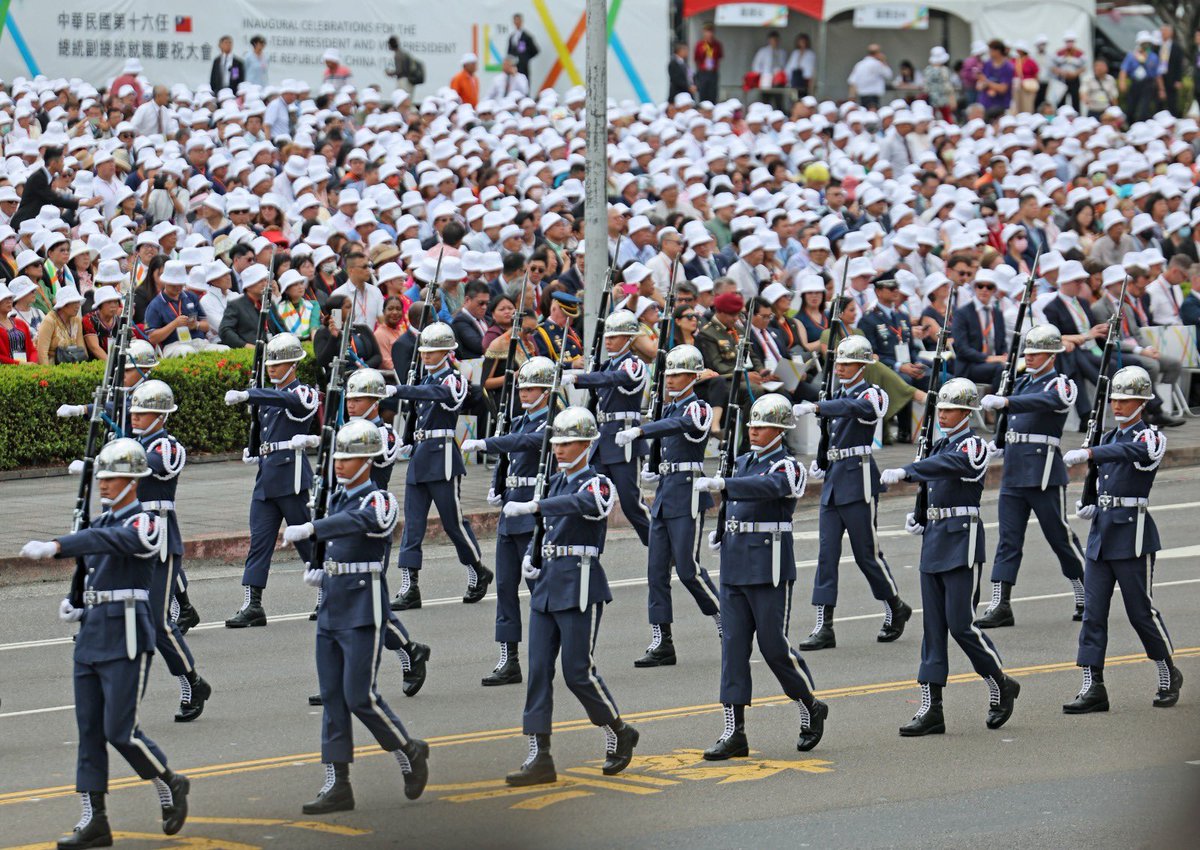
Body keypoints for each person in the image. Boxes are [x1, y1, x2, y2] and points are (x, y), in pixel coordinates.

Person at [20, 439, 190, 849]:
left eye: (112, 477)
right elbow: (90, 565)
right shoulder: (98, 524)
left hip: (127, 635)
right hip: (93, 634)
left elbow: (110, 544)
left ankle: (169, 781)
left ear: (132, 481)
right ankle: (93, 819)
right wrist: (76, 601)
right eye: (102, 477)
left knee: (120, 731)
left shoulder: (146, 522)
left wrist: (59, 544)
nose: (104, 484)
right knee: (89, 732)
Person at [279, 419, 430, 812]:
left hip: (364, 605)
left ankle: (408, 750)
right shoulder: (336, 498)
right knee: (332, 697)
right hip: (332, 602)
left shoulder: (378, 499)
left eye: (348, 457)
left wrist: (313, 528)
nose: (340, 464)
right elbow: (336, 534)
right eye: (338, 457)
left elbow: (360, 523)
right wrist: (320, 565)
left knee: (359, 695)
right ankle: (337, 783)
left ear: (367, 461)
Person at [500, 406, 639, 786]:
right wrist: (532, 556)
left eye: (568, 442)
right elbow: (544, 529)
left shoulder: (597, 482)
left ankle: (617, 729)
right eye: (557, 443)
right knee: (538, 673)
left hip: (580, 584)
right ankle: (539, 754)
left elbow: (585, 506)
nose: (559, 449)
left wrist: (535, 505)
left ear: (587, 444)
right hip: (548, 583)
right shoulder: (557, 481)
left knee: (577, 672)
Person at [881, 379, 1020, 737]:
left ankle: (1000, 681)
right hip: (936, 539)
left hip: (962, 540)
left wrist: (908, 471)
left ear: (967, 412)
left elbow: (949, 465)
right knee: (932, 630)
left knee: (961, 624)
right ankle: (931, 708)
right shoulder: (939, 444)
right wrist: (922, 514)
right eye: (940, 409)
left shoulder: (974, 445)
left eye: (950, 409)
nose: (943, 414)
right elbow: (935, 476)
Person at [693, 394, 828, 759]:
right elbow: (733, 502)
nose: (754, 431)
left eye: (763, 426)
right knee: (733, 649)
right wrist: (721, 530)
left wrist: (725, 485)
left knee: (773, 647)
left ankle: (809, 704)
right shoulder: (740, 460)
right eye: (752, 425)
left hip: (768, 566)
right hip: (736, 563)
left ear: (780, 430)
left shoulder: (789, 466)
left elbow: (769, 488)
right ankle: (733, 731)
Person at [1062, 366, 1181, 713]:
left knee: (1140, 611)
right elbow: (1104, 474)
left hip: (1133, 535)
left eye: (1126, 400)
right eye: (1115, 399)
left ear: (1141, 403)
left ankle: (1167, 672)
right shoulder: (1108, 437)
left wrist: (1091, 453)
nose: (1118, 405)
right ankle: (1093, 685)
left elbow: (1132, 453)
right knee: (1093, 614)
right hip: (1102, 534)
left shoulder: (1150, 437)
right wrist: (1089, 501)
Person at [793, 336, 912, 650]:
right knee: (826, 555)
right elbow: (829, 433)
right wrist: (821, 461)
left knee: (866, 555)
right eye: (840, 363)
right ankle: (824, 626)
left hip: (858, 478)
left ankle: (895, 606)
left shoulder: (873, 393)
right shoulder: (836, 393)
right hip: (834, 479)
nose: (842, 368)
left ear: (862, 365)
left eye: (848, 364)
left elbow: (854, 408)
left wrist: (819, 406)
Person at [615, 344, 722, 667]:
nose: (671, 380)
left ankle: (726, 621)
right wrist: (652, 462)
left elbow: (677, 428)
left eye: (678, 375)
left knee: (688, 569)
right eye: (668, 374)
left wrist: (642, 430)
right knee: (656, 571)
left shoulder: (698, 408)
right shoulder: (670, 407)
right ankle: (662, 641)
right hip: (665, 494)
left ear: (693, 377)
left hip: (688, 492)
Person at [975, 326, 1086, 629]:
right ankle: (1000, 604)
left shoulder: (1061, 384)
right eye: (1028, 352)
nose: (1031, 357)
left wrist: (1007, 402)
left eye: (1037, 353)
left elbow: (1046, 402)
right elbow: (1011, 421)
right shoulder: (1021, 382)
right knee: (1008, 541)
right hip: (1013, 471)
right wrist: (996, 444)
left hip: (1043, 472)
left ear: (1052, 356)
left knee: (1058, 536)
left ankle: (1085, 591)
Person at [460, 357, 555, 686]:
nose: (524, 393)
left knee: (539, 590)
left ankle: (556, 648)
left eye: (532, 388)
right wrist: (496, 487)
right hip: (509, 515)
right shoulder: (518, 420)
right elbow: (509, 459)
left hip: (531, 516)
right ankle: (509, 659)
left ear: (546, 391)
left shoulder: (550, 425)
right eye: (522, 387)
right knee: (504, 589)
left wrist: (487, 442)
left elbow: (523, 445)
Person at [122, 380, 212, 721]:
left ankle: (192, 682)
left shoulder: (169, 446)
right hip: (130, 538)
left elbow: (153, 463)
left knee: (157, 621)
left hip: (159, 540)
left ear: (161, 416)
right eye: (133, 410)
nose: (136, 416)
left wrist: (116, 451)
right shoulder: (130, 443)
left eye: (143, 412)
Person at [391, 323, 491, 609]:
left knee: (453, 523)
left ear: (447, 352)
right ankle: (410, 586)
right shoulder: (422, 380)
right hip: (421, 456)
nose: (426, 356)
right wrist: (409, 439)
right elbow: (418, 412)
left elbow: (439, 397)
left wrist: (402, 390)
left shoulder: (454, 380)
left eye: (433, 352)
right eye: (424, 351)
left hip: (443, 457)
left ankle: (477, 570)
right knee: (412, 524)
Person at [222, 333, 319, 628]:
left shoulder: (305, 392)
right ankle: (252, 603)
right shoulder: (268, 394)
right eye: (270, 364)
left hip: (291, 477)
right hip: (267, 477)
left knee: (305, 539)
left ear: (293, 364)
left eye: (279, 363)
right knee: (259, 542)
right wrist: (255, 450)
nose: (272, 368)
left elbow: (287, 400)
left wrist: (251, 394)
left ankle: (327, 591)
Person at [562, 309, 652, 547]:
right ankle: (591, 547)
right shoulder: (606, 365)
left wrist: (580, 378)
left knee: (632, 503)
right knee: (595, 498)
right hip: (603, 441)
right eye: (608, 337)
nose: (609, 341)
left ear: (629, 339)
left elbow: (615, 379)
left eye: (616, 337)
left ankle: (658, 546)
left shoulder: (634, 365)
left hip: (623, 440)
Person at [10, 146, 102, 230]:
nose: (63, 164)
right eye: (62, 161)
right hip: (22, 223)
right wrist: (83, 203)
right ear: (53, 163)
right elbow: (55, 198)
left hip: (34, 223)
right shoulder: (38, 178)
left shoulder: (48, 177)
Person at [952, 274, 1007, 390]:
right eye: (980, 286)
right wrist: (987, 358)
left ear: (994, 290)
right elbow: (962, 348)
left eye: (989, 287)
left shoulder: (997, 314)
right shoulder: (962, 313)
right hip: (970, 366)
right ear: (975, 288)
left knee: (1015, 368)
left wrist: (1005, 355)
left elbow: (1002, 343)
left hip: (994, 362)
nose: (984, 290)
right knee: (1001, 369)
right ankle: (995, 405)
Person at [1118, 32, 1164, 124]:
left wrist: (1161, 89)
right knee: (1131, 108)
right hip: (1135, 84)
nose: (1146, 46)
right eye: (1144, 43)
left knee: (1144, 109)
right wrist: (1122, 82)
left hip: (1148, 85)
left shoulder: (1153, 57)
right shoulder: (1131, 56)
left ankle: (1142, 126)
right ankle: (1130, 125)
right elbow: (1124, 70)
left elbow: (1157, 75)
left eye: (1148, 43)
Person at [37, 284, 86, 364]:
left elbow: (81, 347)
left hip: (73, 365)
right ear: (64, 305)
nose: (78, 306)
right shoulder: (49, 321)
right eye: (74, 302)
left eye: (78, 302)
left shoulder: (76, 320)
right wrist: (47, 374)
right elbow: (42, 353)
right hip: (53, 367)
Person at [846, 45, 893, 110]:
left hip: (862, 96)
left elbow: (852, 82)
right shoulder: (877, 64)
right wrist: (884, 61)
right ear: (877, 53)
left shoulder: (859, 64)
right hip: (873, 96)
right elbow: (888, 75)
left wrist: (852, 98)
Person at [0, 282, 37, 364]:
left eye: (10, 298)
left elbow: (32, 349)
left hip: (27, 369)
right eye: (5, 298)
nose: (9, 301)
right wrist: (20, 364)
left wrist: (32, 363)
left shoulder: (20, 323)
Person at [976, 40, 1015, 117]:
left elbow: (1003, 89)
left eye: (991, 50)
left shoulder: (1008, 67)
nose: (989, 53)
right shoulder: (987, 64)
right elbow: (980, 84)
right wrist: (981, 84)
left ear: (998, 51)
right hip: (986, 103)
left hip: (1000, 105)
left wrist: (986, 82)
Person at [1051, 33, 1086, 111]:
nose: (1070, 43)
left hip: (1074, 79)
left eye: (1071, 41)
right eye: (1068, 41)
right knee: (1060, 100)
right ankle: (1060, 115)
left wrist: (1075, 73)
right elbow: (1052, 67)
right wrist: (1060, 72)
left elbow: (1084, 67)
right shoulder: (1059, 53)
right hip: (1062, 79)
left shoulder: (1080, 53)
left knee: (1075, 100)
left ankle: (1077, 116)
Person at [693, 23, 723, 103]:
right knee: (703, 93)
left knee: (713, 93)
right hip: (703, 72)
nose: (709, 34)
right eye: (707, 32)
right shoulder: (700, 44)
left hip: (713, 72)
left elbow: (720, 56)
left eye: (711, 32)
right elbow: (696, 58)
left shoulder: (716, 44)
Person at [506, 13, 540, 79]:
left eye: (518, 20)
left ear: (521, 21)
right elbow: (509, 52)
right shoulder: (512, 37)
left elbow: (535, 50)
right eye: (515, 20)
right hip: (513, 67)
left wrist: (525, 58)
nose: (517, 22)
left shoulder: (526, 36)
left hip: (523, 67)